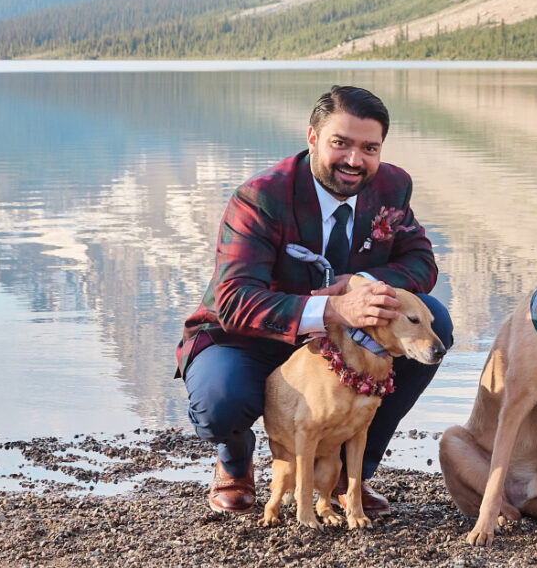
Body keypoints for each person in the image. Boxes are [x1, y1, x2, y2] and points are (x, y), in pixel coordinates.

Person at [176, 84, 452, 516]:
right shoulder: (260, 197)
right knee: (220, 400)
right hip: (250, 338)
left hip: (342, 342)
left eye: (369, 147)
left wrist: (358, 283)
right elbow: (233, 299)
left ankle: (345, 474)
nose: (354, 160)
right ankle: (235, 461)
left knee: (432, 320)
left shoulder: (392, 187)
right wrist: (332, 309)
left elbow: (421, 263)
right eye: (340, 143)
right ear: (312, 138)